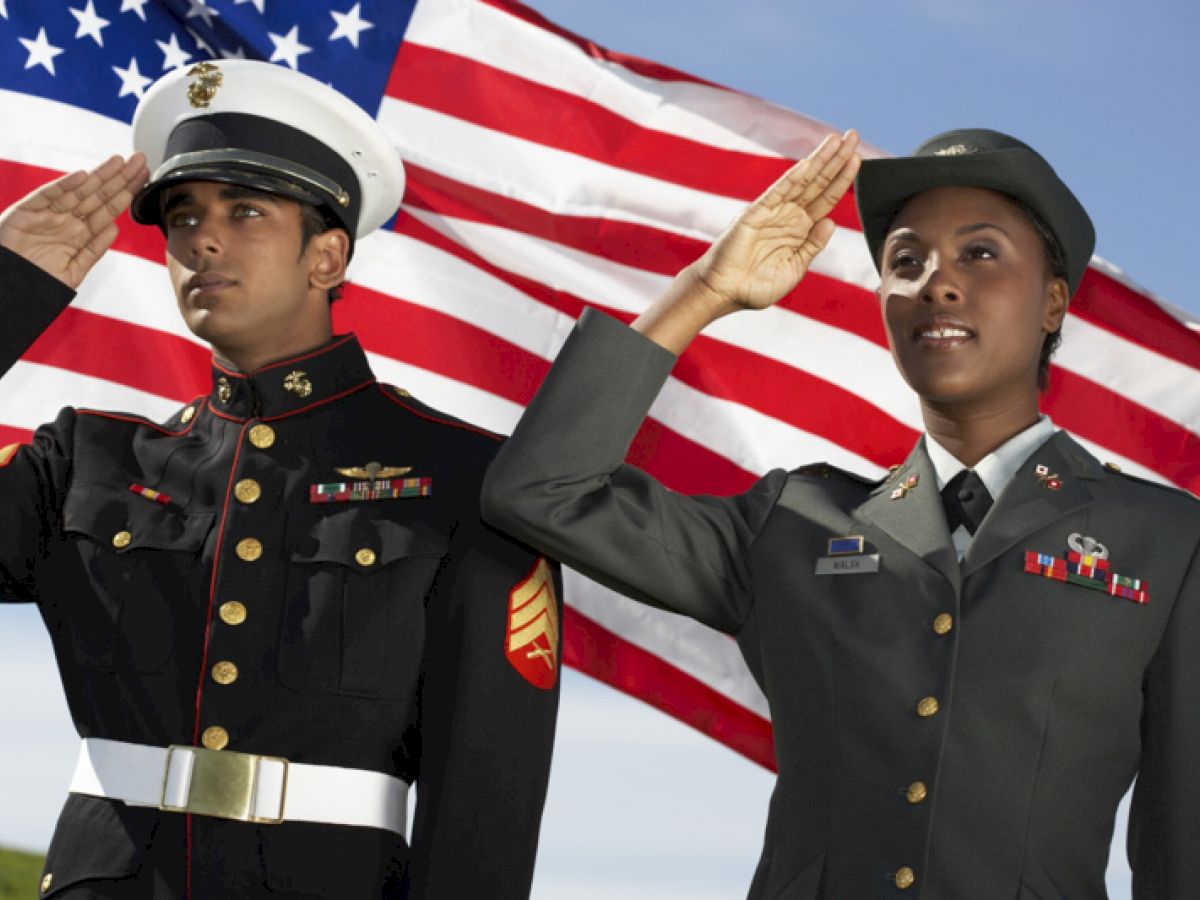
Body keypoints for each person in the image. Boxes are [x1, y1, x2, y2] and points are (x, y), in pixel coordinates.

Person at [483, 128, 1200, 898]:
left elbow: (1182, 842)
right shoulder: (792, 521)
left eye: (981, 254)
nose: (937, 283)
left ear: (1054, 300)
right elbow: (542, 492)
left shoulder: (1164, 542)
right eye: (906, 261)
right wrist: (704, 291)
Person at [0, 60, 560, 899]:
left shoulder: (465, 479)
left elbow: (487, 800)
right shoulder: (85, 461)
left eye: (246, 211)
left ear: (328, 255)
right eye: (182, 216)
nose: (203, 239)